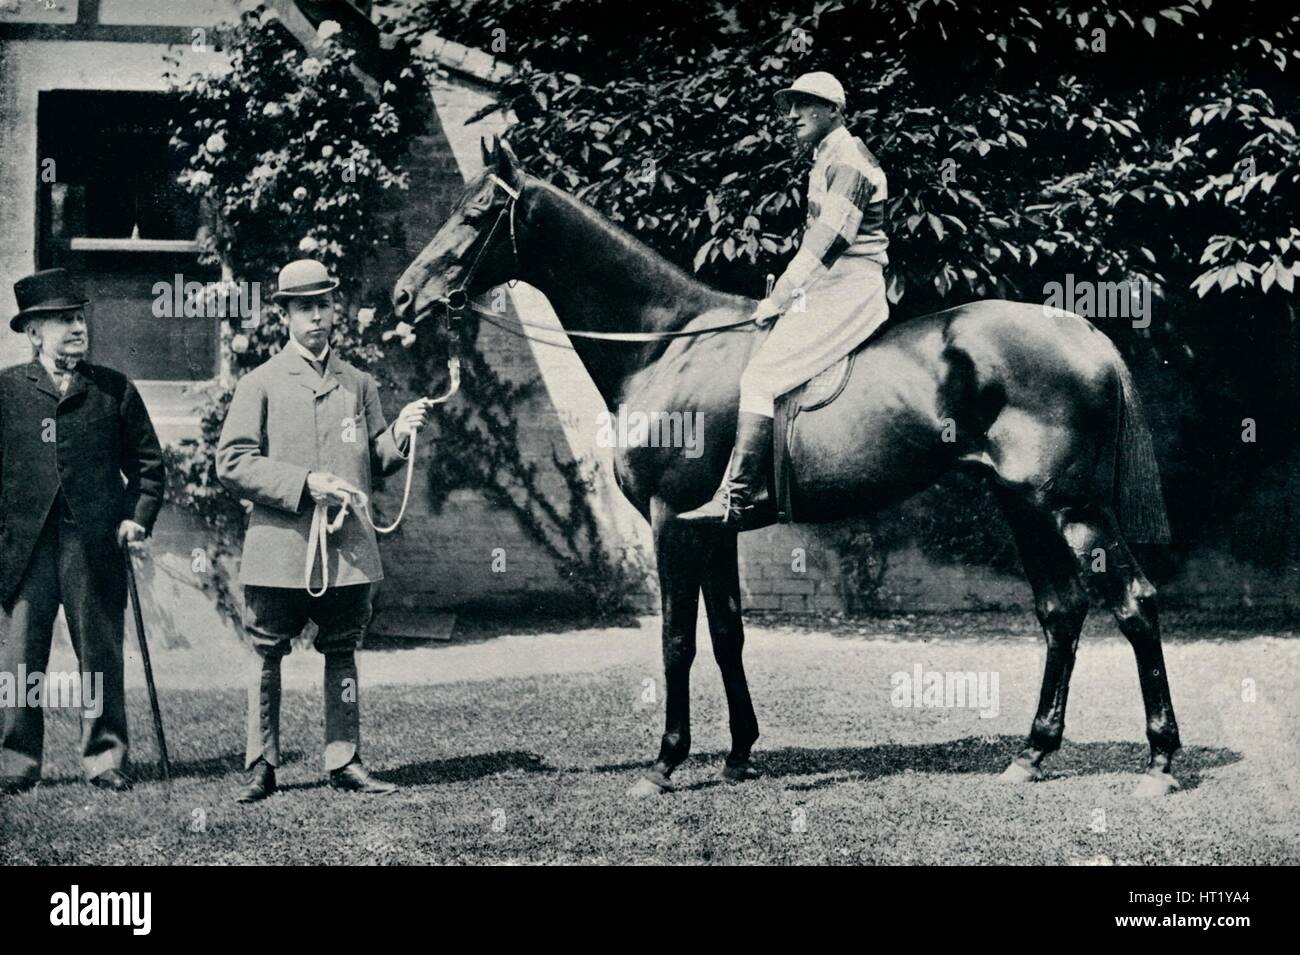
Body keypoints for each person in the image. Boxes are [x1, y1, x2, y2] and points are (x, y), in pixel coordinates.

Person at [217, 259, 432, 803]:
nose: (317, 317)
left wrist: (400, 437)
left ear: (335, 309)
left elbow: (375, 458)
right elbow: (233, 462)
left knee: (343, 649)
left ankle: (345, 760)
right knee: (267, 650)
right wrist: (305, 482)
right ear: (285, 314)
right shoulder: (259, 383)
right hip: (280, 546)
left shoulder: (358, 384)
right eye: (304, 307)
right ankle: (261, 766)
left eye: (324, 305)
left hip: (346, 547)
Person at [679, 71, 890, 528]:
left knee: (760, 376)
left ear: (834, 111)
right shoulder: (824, 157)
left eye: (805, 104)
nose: (791, 114)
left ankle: (740, 494)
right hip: (831, 285)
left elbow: (830, 239)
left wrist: (782, 296)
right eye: (788, 105)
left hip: (852, 286)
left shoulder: (849, 159)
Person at [0, 268, 165, 795]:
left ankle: (105, 758)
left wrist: (137, 517)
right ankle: (16, 762)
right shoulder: (6, 391)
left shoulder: (112, 389)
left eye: (78, 317)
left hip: (93, 544)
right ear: (33, 333)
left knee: (99, 654)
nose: (76, 327)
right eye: (61, 320)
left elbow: (148, 465)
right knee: (21, 657)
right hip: (24, 549)